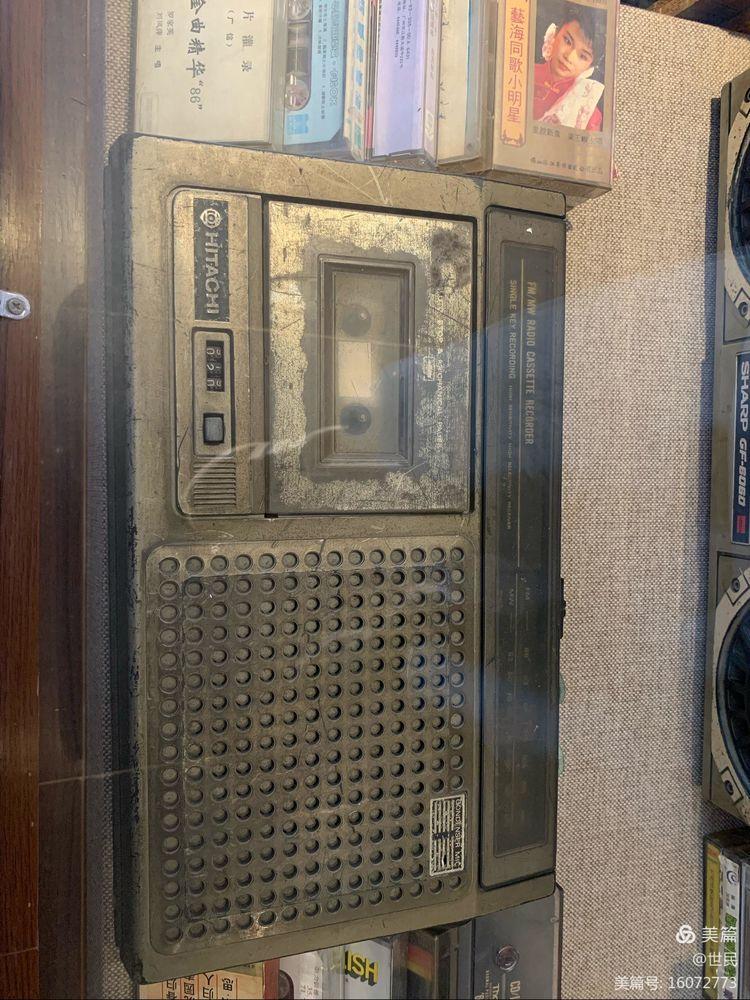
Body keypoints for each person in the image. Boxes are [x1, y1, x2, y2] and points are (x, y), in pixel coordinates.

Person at [533, 3, 606, 131]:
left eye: (582, 56)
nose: (569, 57)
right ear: (555, 34)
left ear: (590, 67)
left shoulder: (588, 113)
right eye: (567, 41)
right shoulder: (524, 74)